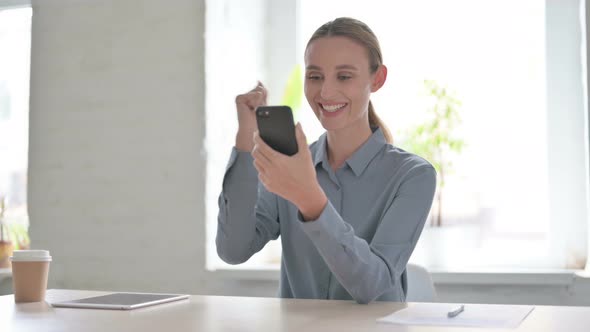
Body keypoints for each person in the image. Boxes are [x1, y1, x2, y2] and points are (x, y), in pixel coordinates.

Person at [216, 17, 436, 304]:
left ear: (377, 79)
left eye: (344, 76)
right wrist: (246, 140)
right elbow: (233, 250)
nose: (326, 92)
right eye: (315, 76)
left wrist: (310, 200)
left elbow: (371, 285)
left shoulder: (413, 176)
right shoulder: (290, 164)